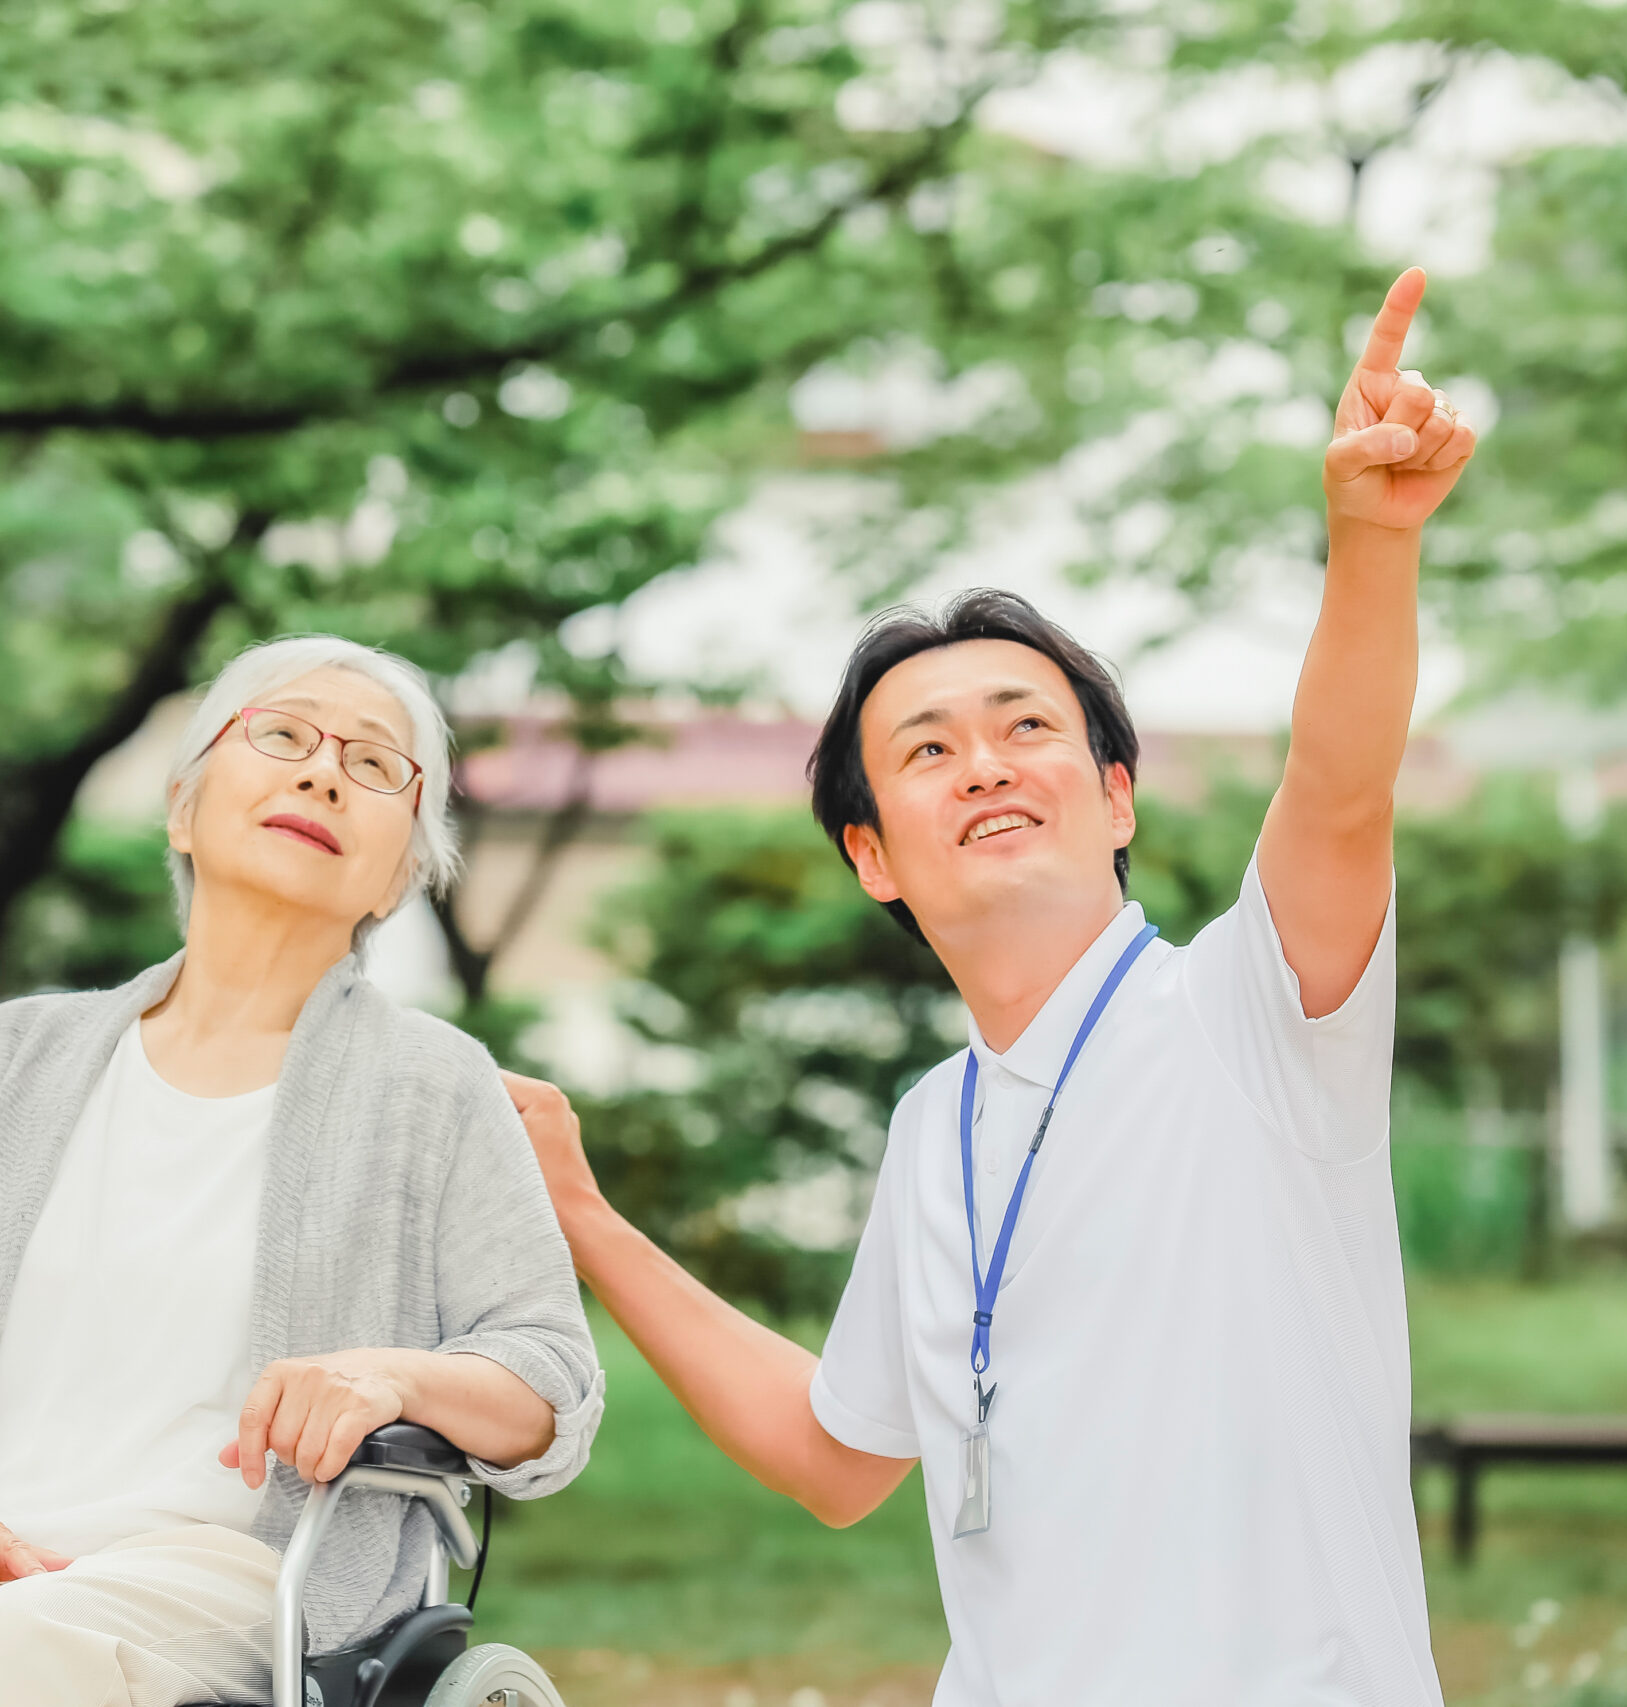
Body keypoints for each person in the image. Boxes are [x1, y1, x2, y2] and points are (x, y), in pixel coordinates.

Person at [501, 268, 1471, 1705]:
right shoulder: (932, 1125)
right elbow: (840, 1458)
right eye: (929, 750)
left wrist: (1370, 543)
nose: (988, 762)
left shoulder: (1253, 1012)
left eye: (1029, 726)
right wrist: (583, 1217)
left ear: (1118, 796)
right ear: (874, 852)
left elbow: (1338, 788)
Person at [0, 634, 604, 1707]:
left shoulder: (431, 1085)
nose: (322, 771)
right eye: (281, 735)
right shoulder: (12, 1055)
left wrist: (393, 1376)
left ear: (398, 875)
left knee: (30, 1648)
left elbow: (546, 1378)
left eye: (375, 765)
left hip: (235, 1565)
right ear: (183, 808)